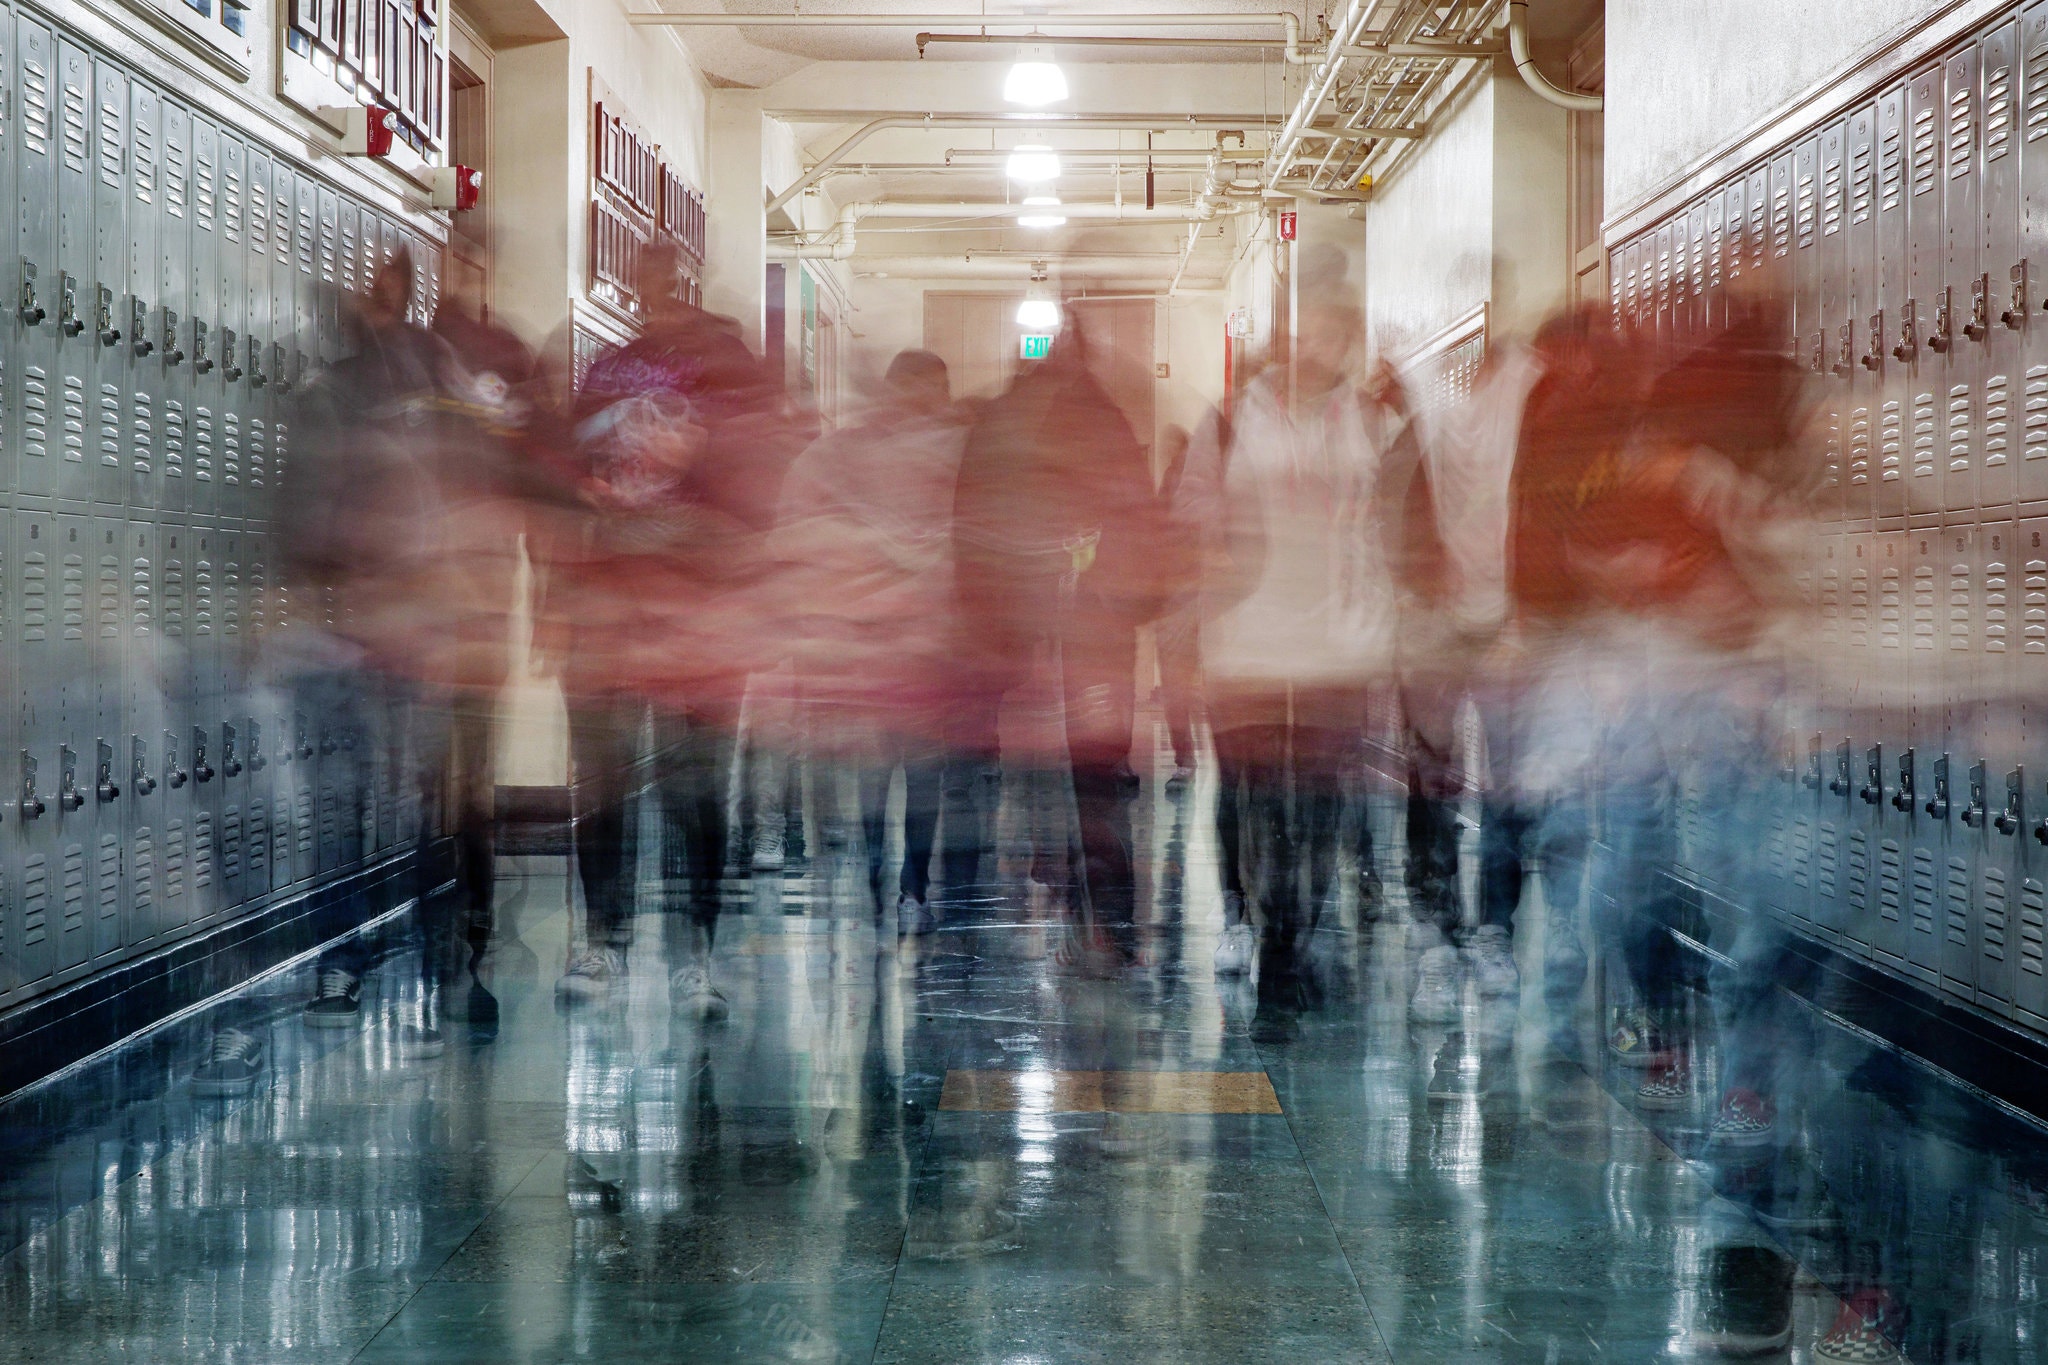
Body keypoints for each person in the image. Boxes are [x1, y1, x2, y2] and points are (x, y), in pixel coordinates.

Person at [551, 241, 808, 1016]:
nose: (653, 295)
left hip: (700, 617)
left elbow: (767, 486)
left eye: (665, 284)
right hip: (613, 611)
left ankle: (697, 953)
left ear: (687, 287)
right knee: (603, 787)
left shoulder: (730, 371)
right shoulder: (610, 370)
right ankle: (601, 939)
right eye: (644, 284)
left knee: (697, 793)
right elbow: (570, 474)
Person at [1183, 254, 1401, 1032]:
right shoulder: (1231, 420)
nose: (1323, 346)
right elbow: (1189, 525)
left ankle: (1290, 940)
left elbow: (1397, 532)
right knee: (1252, 799)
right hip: (1244, 647)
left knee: (1318, 809)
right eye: (1311, 329)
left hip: (1336, 652)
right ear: (1284, 335)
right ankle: (1255, 922)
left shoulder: (1376, 424)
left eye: (1339, 331)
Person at [952, 315, 1172, 970]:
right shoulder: (1100, 422)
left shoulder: (1007, 422)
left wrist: (985, 620)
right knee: (1096, 780)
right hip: (1083, 637)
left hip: (1044, 636)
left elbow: (971, 528)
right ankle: (1103, 919)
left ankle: (1075, 906)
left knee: (1057, 776)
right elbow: (1137, 526)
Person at [766, 350, 971, 933]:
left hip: (920, 652)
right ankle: (896, 883)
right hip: (886, 654)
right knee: (887, 777)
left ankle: (907, 885)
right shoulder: (853, 455)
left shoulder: (946, 455)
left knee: (914, 777)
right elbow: (797, 529)